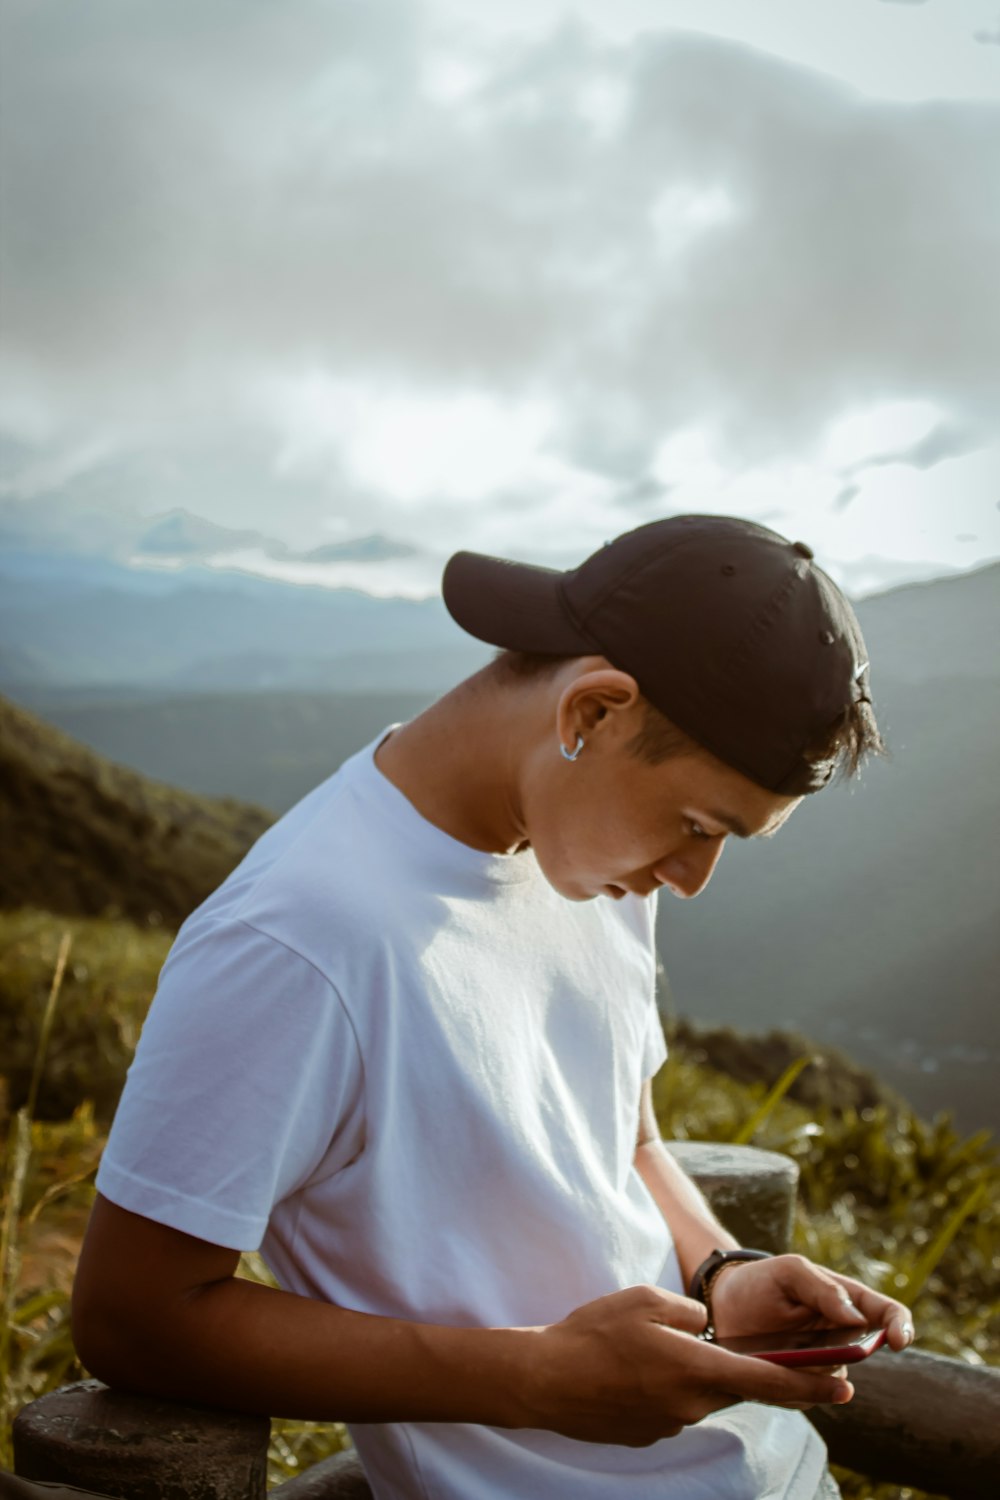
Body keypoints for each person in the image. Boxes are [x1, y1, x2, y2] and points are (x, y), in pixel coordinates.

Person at [72, 514, 914, 1500]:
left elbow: (626, 1143)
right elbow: (134, 1317)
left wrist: (721, 1271)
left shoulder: (590, 864)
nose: (690, 879)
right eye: (695, 825)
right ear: (592, 713)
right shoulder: (294, 940)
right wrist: (537, 1380)